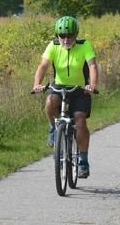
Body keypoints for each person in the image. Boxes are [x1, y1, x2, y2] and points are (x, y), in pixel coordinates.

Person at [33, 15, 98, 178]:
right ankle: (54, 129)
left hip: (80, 89)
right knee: (49, 104)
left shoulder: (85, 45)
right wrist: (37, 84)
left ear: (76, 34)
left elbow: (92, 66)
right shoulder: (53, 46)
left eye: (70, 35)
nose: (66, 39)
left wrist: (92, 85)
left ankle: (83, 160)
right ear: (57, 36)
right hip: (59, 86)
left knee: (80, 119)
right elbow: (43, 65)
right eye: (62, 36)